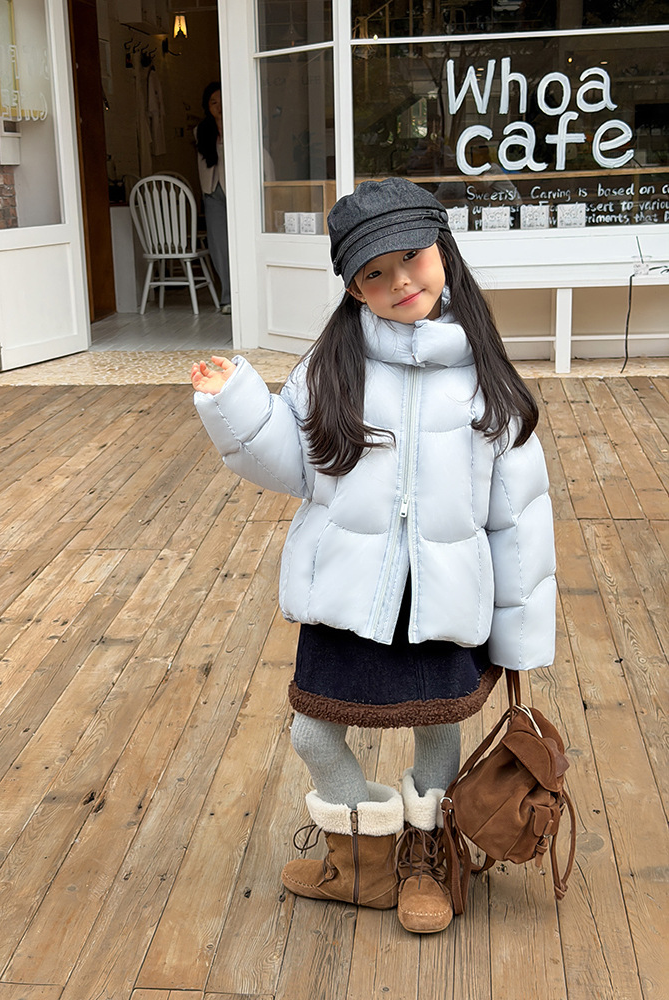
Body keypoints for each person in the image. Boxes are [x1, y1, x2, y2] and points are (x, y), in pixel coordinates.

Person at [190, 178, 556, 934]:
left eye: (411, 258)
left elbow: (518, 520)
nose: (399, 282)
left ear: (442, 250)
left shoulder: (487, 379)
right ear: (354, 288)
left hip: (444, 594)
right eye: (374, 272)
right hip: (347, 592)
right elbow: (293, 461)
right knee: (313, 730)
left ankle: (425, 857)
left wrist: (519, 635)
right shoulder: (332, 365)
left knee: (437, 727)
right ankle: (362, 861)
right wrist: (237, 404)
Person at [196, 82, 231, 314]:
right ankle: (227, 297)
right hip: (212, 192)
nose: (218, 106)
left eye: (221, 101)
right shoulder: (201, 131)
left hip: (235, 190)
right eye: (213, 102)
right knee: (219, 246)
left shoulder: (237, 125)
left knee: (239, 243)